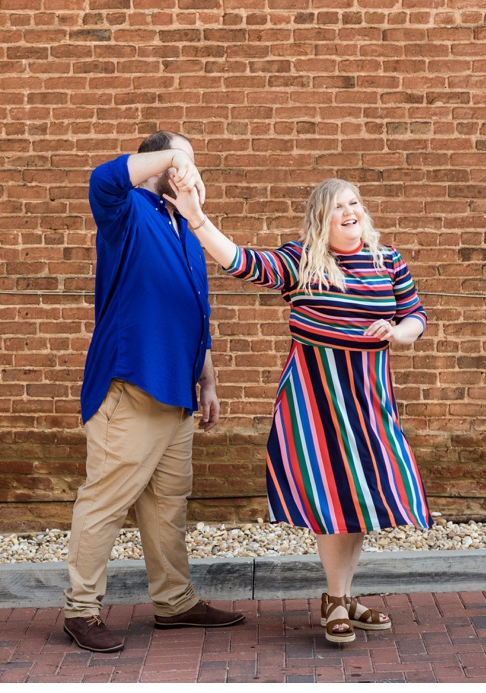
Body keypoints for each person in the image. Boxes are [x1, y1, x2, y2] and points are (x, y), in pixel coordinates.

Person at [165, 175, 430, 644]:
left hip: (369, 399)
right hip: (315, 401)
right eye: (337, 207)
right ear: (319, 220)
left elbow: (415, 316)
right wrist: (197, 219)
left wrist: (396, 332)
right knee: (332, 498)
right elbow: (242, 263)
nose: (350, 211)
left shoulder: (388, 260)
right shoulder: (303, 261)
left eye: (354, 203)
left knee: (362, 498)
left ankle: (343, 598)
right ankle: (334, 600)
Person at [62, 131, 245, 653]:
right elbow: (103, 177)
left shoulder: (187, 228)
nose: (188, 167)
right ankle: (81, 609)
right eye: (179, 157)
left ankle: (175, 602)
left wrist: (207, 377)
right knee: (106, 500)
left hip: (178, 390)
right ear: (157, 162)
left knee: (168, 504)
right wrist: (175, 158)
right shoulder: (128, 211)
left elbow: (196, 309)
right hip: (131, 384)